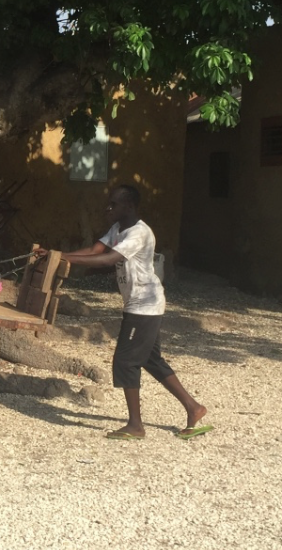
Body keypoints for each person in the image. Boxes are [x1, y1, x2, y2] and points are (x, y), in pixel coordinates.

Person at [40, 185, 210, 440]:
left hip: (145, 305)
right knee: (151, 360)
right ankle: (193, 408)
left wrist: (63, 258)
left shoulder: (139, 233)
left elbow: (108, 260)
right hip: (139, 304)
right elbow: (95, 250)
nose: (108, 209)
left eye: (113, 205)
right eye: (109, 204)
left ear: (129, 206)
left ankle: (135, 426)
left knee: (125, 361)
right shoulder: (117, 229)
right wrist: (56, 255)